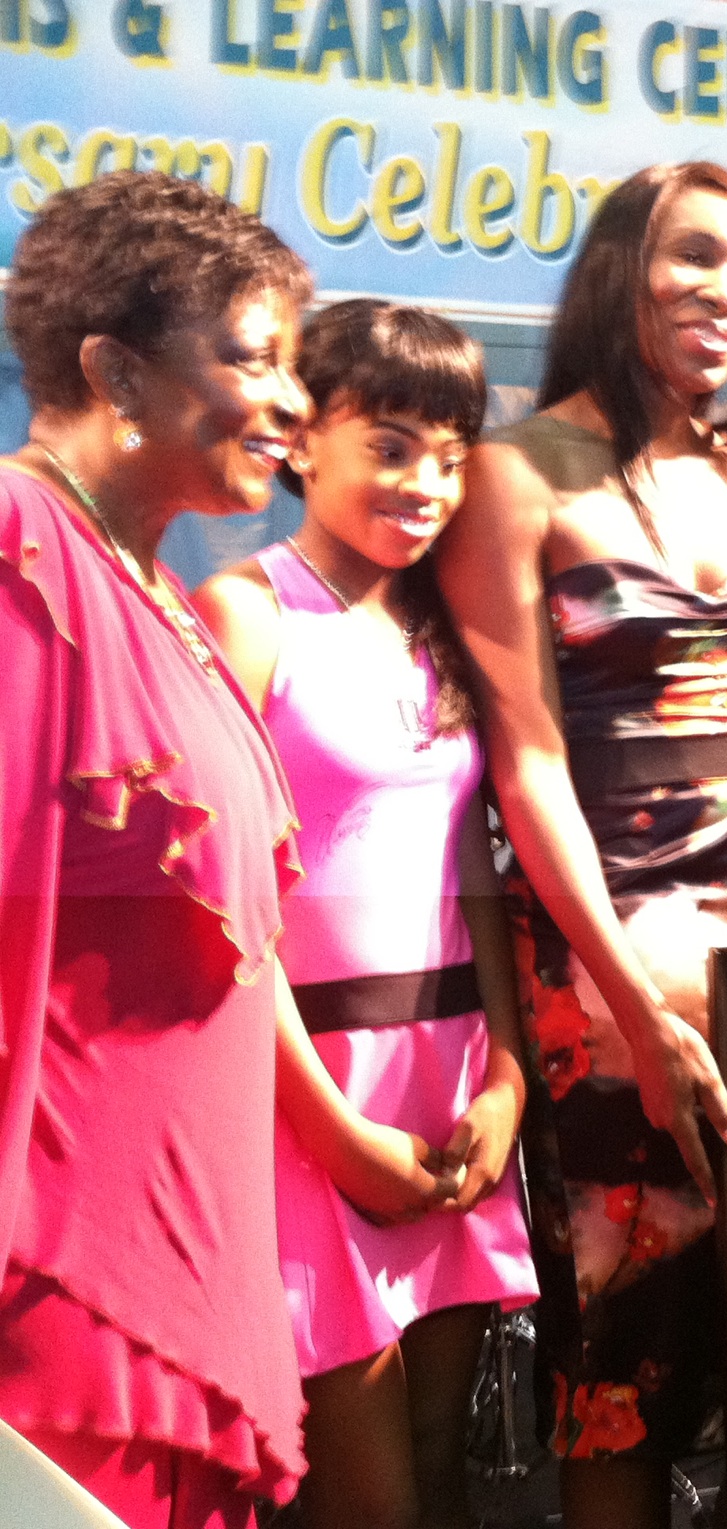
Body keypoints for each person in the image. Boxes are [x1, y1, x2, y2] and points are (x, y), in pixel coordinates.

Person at [435, 162, 727, 1528]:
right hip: (606, 967)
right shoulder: (515, 470)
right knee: (622, 1357)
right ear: (618, 267)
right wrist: (630, 1007)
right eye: (697, 256)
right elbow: (526, 758)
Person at [0, 172, 333, 1525]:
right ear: (116, 371)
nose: (294, 399)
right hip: (67, 1298)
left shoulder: (155, 585)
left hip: (184, 1271)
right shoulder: (22, 550)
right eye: (253, 358)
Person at [192, 299, 538, 1529]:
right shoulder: (245, 612)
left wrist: (508, 1077)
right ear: (300, 438)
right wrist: (331, 1131)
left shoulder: (444, 625)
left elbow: (473, 871)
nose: (424, 485)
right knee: (367, 1496)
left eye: (448, 456)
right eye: (390, 446)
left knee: (443, 1470)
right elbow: (224, 906)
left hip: (451, 1084)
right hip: (305, 1096)